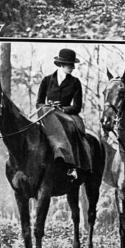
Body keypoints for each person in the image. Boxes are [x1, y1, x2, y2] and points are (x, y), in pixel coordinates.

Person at [36, 48, 91, 179]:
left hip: (66, 115)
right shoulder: (47, 80)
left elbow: (77, 107)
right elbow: (38, 102)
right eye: (69, 64)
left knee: (72, 128)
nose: (72, 67)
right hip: (47, 114)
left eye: (73, 65)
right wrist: (47, 107)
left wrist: (63, 109)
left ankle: (71, 165)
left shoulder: (75, 82)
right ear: (61, 64)